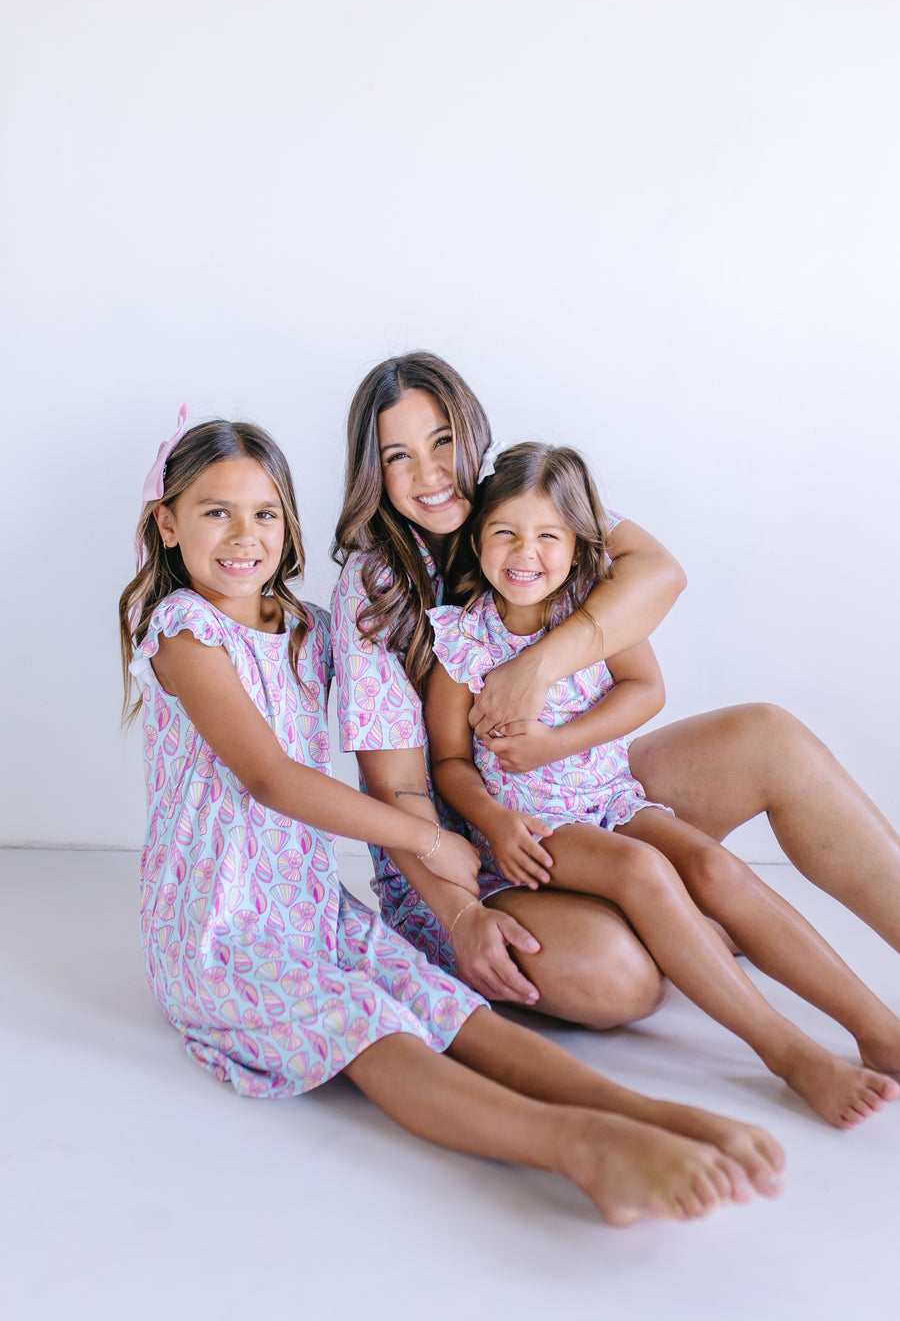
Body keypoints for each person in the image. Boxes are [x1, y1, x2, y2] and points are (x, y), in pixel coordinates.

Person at [118, 413, 786, 1226]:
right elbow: (272, 779)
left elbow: (635, 574)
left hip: (310, 908)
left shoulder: (306, 630)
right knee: (375, 1030)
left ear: (287, 522)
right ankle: (578, 1146)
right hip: (222, 929)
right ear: (167, 524)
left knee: (446, 1007)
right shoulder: (184, 633)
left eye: (263, 513)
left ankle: (650, 1113)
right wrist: (429, 840)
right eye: (215, 512)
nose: (242, 535)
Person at [330, 350, 900, 1035]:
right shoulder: (374, 586)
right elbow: (399, 789)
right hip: (461, 855)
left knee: (769, 738)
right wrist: (460, 913)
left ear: (472, 433)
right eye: (398, 456)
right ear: (372, 470)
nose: (429, 473)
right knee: (622, 980)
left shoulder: (522, 496)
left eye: (443, 441)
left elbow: (659, 573)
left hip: (582, 791)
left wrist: (537, 667)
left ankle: (686, 918)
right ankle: (679, 926)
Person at [423, 441, 900, 1128]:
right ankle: (789, 1053)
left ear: (579, 545)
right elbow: (449, 764)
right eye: (505, 533)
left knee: (714, 868)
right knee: (644, 870)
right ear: (477, 540)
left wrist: (558, 742)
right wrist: (496, 823)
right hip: (534, 827)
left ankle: (877, 1027)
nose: (526, 553)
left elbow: (645, 689)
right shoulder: (461, 645)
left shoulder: (591, 610)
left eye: (548, 536)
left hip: (613, 797)